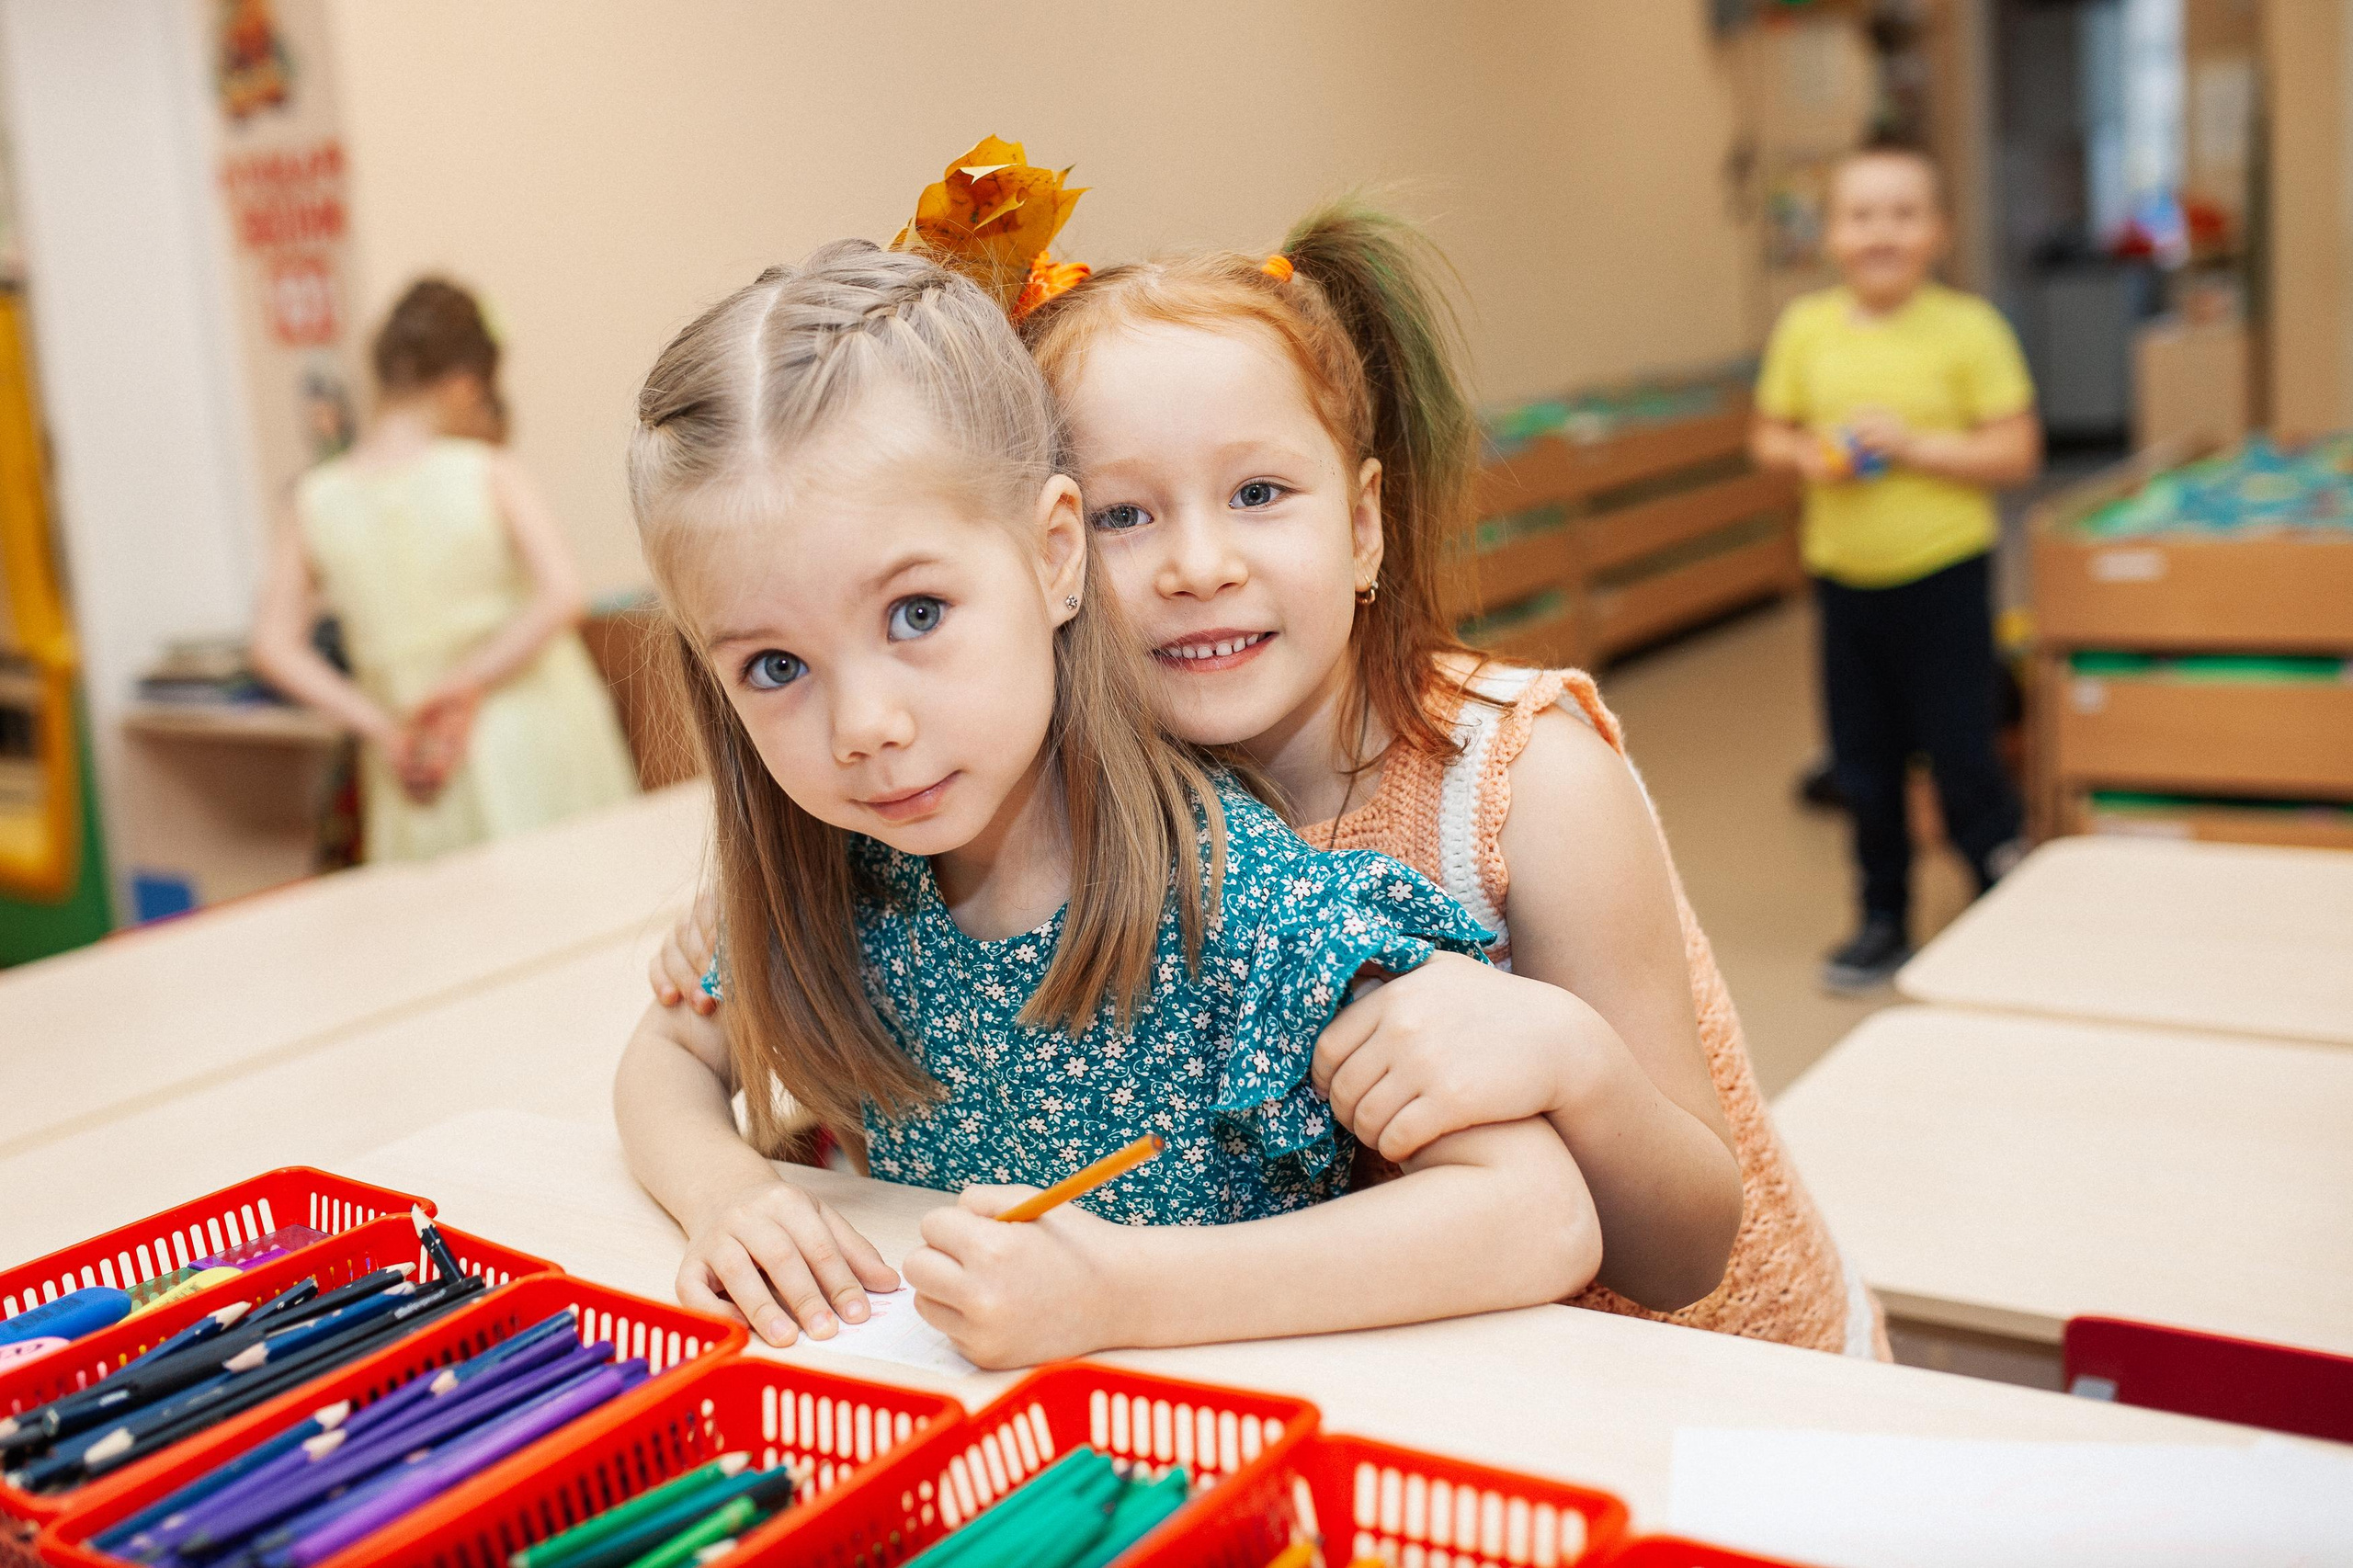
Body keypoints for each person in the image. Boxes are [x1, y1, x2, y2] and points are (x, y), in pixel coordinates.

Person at [659, 195, 1882, 1357]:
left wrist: (1573, 1054)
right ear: (1061, 552)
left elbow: (1685, 1248)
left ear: (1362, 527)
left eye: (1257, 493)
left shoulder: (1525, 781)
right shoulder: (1047, 786)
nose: (1198, 565)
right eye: (1132, 517)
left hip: (1714, 1376)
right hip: (1416, 1373)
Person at [1749, 137, 2040, 992]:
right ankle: (1883, 915)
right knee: (1862, 760)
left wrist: (1914, 445)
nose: (1883, 232)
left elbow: (2016, 452)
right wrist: (1807, 457)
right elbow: (1770, 435)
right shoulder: (1806, 329)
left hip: (1945, 578)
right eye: (1862, 214)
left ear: (1939, 232)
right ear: (1833, 235)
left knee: (1962, 753)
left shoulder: (1970, 328)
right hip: (1845, 587)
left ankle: (2001, 893)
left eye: (1905, 214)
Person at [251, 279, 638, 861]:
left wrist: (381, 727)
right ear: (463, 384)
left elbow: (273, 646)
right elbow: (563, 594)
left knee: (449, 931)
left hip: (415, 752)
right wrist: (467, 681)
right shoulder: (485, 469)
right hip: (528, 729)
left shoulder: (315, 499)